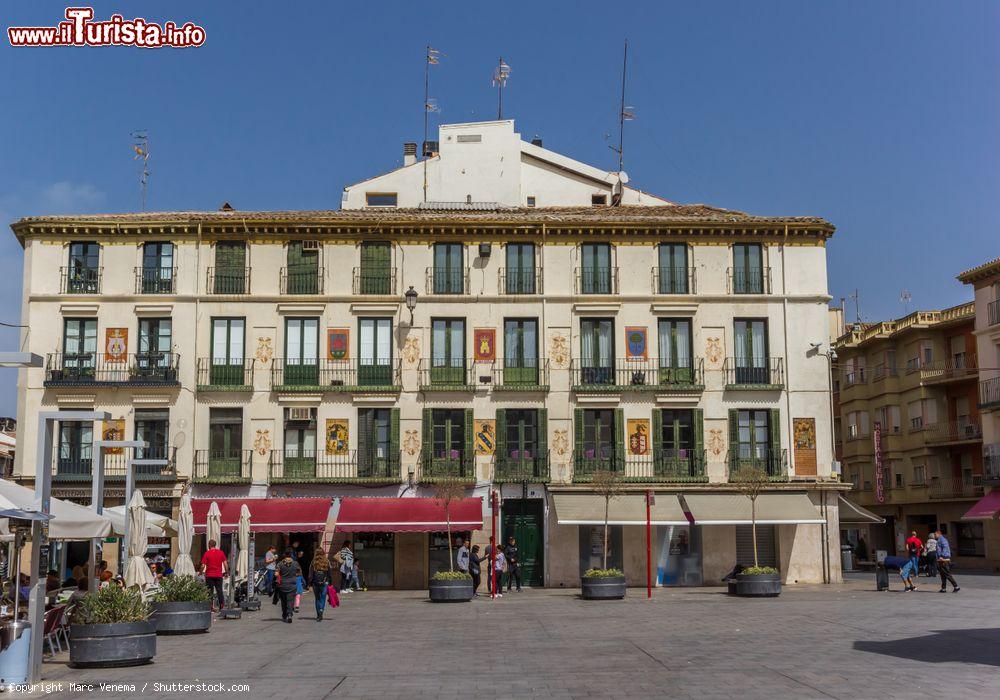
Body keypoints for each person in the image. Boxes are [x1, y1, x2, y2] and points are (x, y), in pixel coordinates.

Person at [200, 539, 228, 611]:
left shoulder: (207, 553)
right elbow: (225, 564)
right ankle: (221, 606)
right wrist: (226, 573)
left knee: (210, 592)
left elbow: (203, 565)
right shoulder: (221, 553)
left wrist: (200, 572)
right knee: (219, 591)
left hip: (209, 575)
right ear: (215, 545)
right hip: (218, 575)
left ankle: (210, 607)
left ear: (209, 545)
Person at [274, 548, 301, 623]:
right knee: (290, 600)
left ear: (284, 554)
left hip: (282, 585)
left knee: (283, 601)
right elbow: (298, 573)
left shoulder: (280, 563)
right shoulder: (295, 563)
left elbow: (276, 574)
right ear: (291, 554)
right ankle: (289, 614)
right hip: (292, 584)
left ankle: (284, 614)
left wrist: (280, 574)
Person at [308, 549, 332, 621]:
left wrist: (309, 584)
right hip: (324, 582)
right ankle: (321, 610)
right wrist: (330, 582)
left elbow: (310, 574)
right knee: (323, 598)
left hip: (315, 583)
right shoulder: (327, 561)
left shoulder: (313, 562)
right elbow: (329, 573)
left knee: (317, 598)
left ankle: (318, 614)